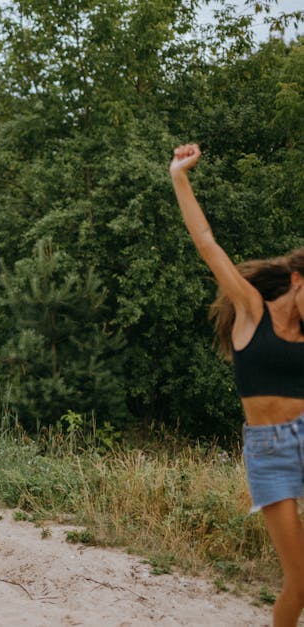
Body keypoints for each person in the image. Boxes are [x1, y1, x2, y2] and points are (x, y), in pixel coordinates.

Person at [171, 143, 304, 627]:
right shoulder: (252, 311)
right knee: (299, 580)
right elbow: (207, 242)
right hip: (269, 451)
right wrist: (179, 176)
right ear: (297, 280)